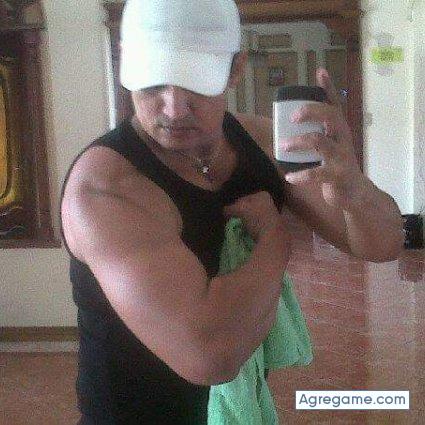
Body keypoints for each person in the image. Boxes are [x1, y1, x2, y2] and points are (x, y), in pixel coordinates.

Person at [60, 0, 404, 423]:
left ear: (235, 69)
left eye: (196, 83)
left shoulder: (260, 141)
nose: (174, 108)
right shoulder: (106, 188)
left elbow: (384, 244)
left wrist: (353, 188)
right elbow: (210, 356)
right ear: (124, 66)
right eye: (153, 83)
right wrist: (274, 239)